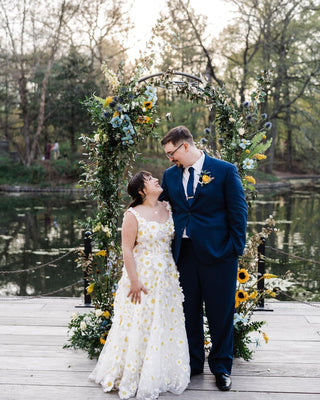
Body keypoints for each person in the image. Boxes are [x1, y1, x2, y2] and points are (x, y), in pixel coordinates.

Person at [159, 126, 248, 391]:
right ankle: (193, 363)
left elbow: (238, 212)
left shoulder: (224, 170)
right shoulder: (169, 175)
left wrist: (234, 249)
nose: (170, 159)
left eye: (171, 153)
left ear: (185, 146)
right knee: (188, 312)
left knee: (221, 314)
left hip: (219, 255)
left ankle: (221, 368)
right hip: (184, 256)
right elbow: (163, 208)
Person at [89, 171, 190, 400]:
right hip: (141, 276)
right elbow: (126, 249)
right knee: (140, 322)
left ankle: (161, 370)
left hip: (167, 276)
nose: (156, 179)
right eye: (149, 179)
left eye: (154, 177)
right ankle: (134, 372)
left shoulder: (168, 207)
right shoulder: (132, 215)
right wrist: (134, 282)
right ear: (142, 191)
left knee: (165, 320)